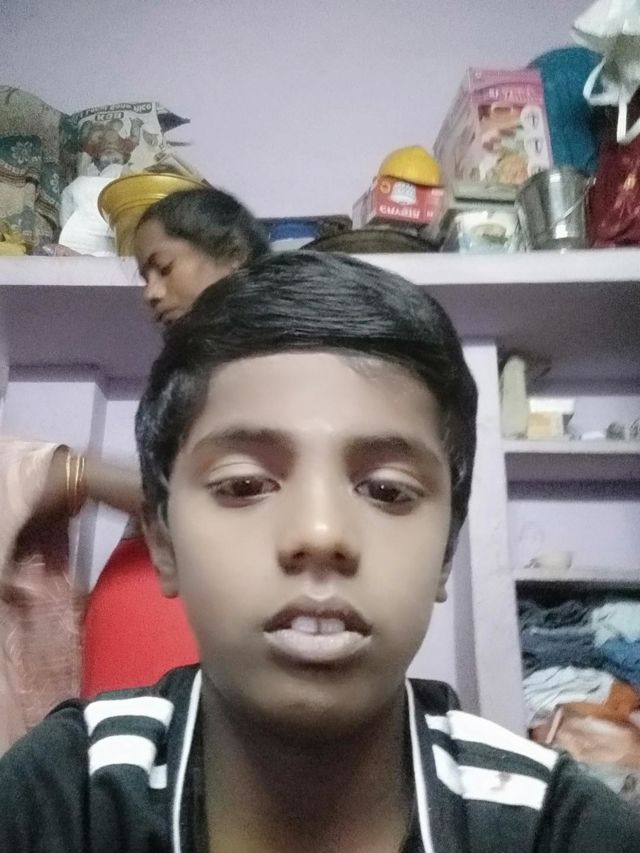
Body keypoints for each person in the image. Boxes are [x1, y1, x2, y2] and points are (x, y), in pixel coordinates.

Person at [1, 252, 638, 852]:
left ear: (447, 551)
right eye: (244, 485)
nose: (320, 533)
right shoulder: (64, 797)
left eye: (387, 490)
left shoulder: (554, 827)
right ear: (163, 542)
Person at [81, 185, 271, 696]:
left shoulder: (267, 363)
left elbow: (240, 495)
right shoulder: (196, 369)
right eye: (144, 276)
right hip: (144, 604)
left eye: (164, 268)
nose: (151, 292)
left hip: (188, 610)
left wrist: (77, 475)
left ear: (232, 255)